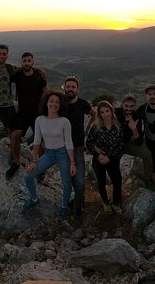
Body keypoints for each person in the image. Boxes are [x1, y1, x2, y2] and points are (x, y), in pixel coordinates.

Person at [22, 91, 76, 221]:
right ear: (46, 103)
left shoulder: (64, 121)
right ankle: (34, 198)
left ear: (60, 105)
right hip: (49, 154)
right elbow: (36, 142)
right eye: (51, 101)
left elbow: (69, 142)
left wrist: (72, 162)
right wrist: (34, 161)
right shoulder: (39, 120)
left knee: (66, 183)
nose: (54, 104)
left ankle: (64, 206)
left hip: (62, 153)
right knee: (28, 176)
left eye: (57, 102)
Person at [6, 52, 48, 179]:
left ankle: (40, 167)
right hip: (23, 112)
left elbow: (45, 92)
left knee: (41, 142)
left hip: (37, 113)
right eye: (24, 61)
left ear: (33, 62)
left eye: (29, 61)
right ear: (21, 62)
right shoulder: (17, 75)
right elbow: (7, 72)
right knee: (15, 135)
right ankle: (16, 162)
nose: (27, 63)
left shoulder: (39, 76)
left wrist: (43, 110)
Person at [63, 76, 97, 218]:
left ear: (78, 89)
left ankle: (78, 206)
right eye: (68, 86)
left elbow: (93, 115)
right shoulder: (61, 103)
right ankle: (78, 204)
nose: (70, 89)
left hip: (77, 146)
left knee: (80, 180)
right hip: (63, 147)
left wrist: (87, 129)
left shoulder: (82, 104)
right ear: (64, 88)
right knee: (70, 177)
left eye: (73, 87)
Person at [86, 101, 126, 215]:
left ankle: (116, 203)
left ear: (111, 111)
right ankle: (105, 202)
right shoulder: (95, 127)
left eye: (107, 111)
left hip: (112, 158)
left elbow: (121, 145)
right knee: (101, 181)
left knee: (117, 181)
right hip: (98, 159)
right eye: (102, 112)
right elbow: (89, 143)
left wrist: (109, 157)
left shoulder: (118, 126)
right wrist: (97, 153)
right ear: (99, 113)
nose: (105, 114)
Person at [115, 94, 154, 185]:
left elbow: (139, 141)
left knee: (147, 154)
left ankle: (148, 179)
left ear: (135, 106)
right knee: (113, 160)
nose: (129, 109)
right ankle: (115, 181)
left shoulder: (136, 117)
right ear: (122, 105)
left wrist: (134, 129)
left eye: (131, 106)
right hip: (116, 144)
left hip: (128, 143)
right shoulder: (115, 114)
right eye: (126, 106)